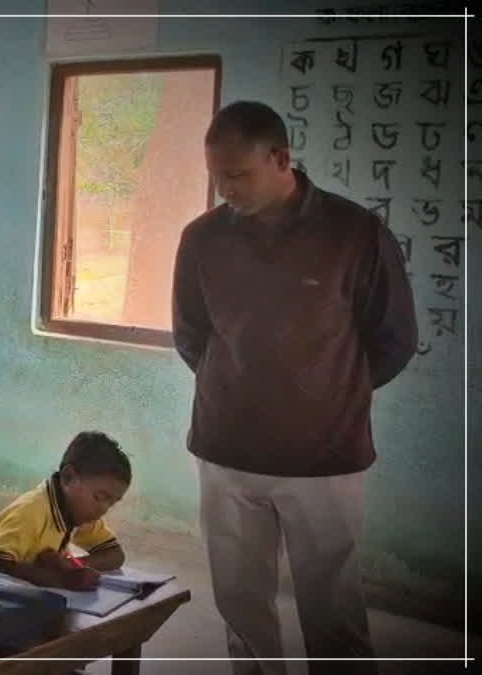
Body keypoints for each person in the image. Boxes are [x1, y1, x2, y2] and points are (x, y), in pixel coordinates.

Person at [172, 101, 418, 675]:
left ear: (281, 158)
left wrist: (328, 393)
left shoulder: (354, 233)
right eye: (216, 177)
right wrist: (235, 386)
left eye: (238, 175)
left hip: (325, 458)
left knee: (332, 607)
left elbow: (394, 340)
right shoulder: (203, 239)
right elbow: (191, 335)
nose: (225, 189)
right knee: (239, 601)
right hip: (226, 450)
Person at [0, 432, 128, 589]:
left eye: (112, 503)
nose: (104, 509)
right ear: (68, 478)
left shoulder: (81, 513)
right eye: (99, 497)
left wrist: (69, 566)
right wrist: (61, 579)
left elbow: (115, 555)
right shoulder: (30, 511)